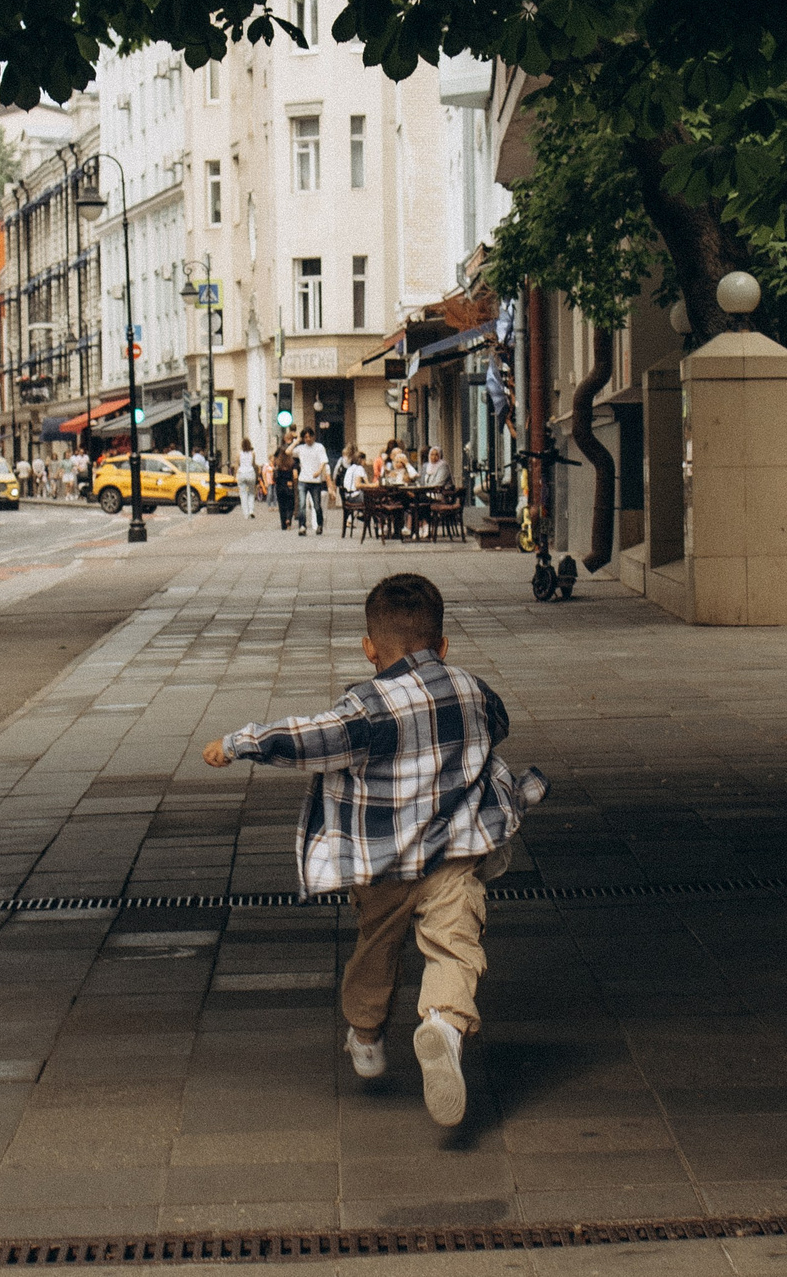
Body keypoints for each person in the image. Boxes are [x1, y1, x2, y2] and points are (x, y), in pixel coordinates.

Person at [203, 573, 544, 1128]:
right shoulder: (474, 690)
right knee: (456, 942)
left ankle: (365, 1035)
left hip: (381, 866)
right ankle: (443, 1024)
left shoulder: (365, 707)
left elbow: (308, 737)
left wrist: (239, 743)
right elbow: (497, 725)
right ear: (444, 645)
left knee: (377, 946)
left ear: (369, 649)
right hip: (453, 855)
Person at [293, 429, 332, 535]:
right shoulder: (300, 448)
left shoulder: (319, 447)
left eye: (310, 436)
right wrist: (297, 441)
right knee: (302, 504)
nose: (308, 439)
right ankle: (302, 526)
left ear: (313, 437)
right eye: (305, 437)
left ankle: (319, 525)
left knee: (317, 505)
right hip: (303, 480)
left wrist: (319, 471)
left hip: (315, 481)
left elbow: (323, 461)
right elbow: (288, 451)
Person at [238, 441, 261, 520]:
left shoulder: (239, 454)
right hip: (250, 473)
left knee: (243, 494)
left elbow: (238, 464)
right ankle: (251, 510)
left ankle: (245, 514)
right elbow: (253, 464)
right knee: (251, 493)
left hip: (241, 473)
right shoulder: (252, 453)